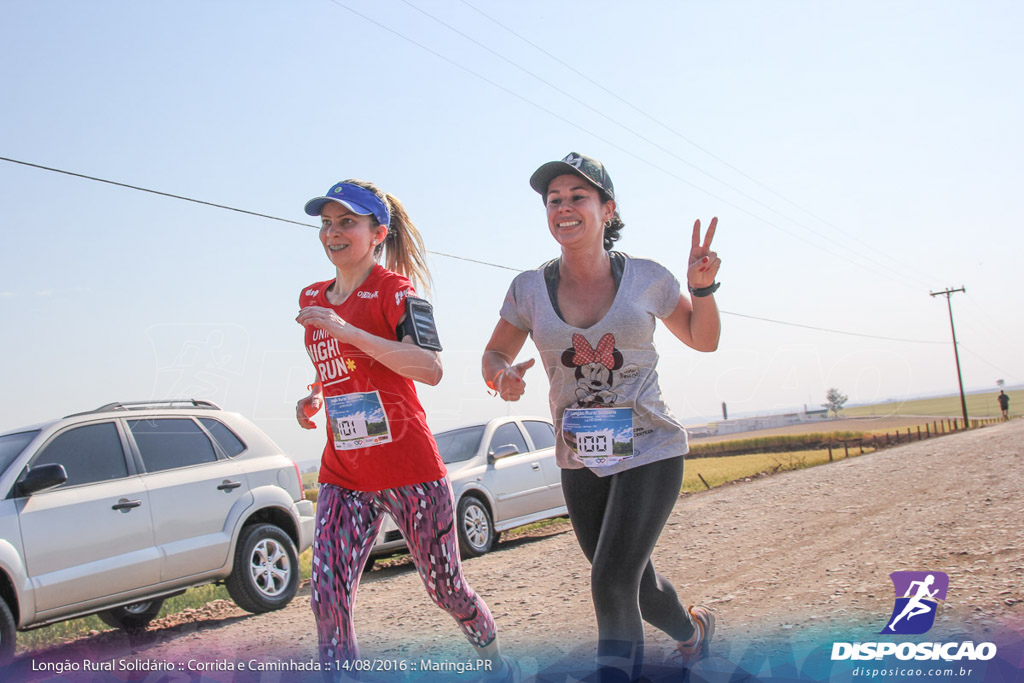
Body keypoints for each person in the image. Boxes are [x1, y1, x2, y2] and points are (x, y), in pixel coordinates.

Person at [482, 153, 721, 682]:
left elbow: (704, 340)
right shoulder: (528, 289)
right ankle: (693, 631)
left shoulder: (647, 279)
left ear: (608, 209)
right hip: (580, 458)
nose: (564, 208)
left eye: (577, 197)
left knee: (611, 582)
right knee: (638, 588)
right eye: (554, 200)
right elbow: (493, 356)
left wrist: (701, 290)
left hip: (650, 448)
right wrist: (503, 376)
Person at [296, 180, 517, 681]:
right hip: (344, 472)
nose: (333, 232)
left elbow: (430, 368)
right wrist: (314, 393)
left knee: (445, 588)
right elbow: (341, 367)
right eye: (326, 223)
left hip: (409, 469)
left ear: (378, 233)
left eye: (346, 222)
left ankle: (494, 659)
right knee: (327, 596)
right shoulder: (312, 297)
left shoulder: (396, 292)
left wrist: (345, 330)